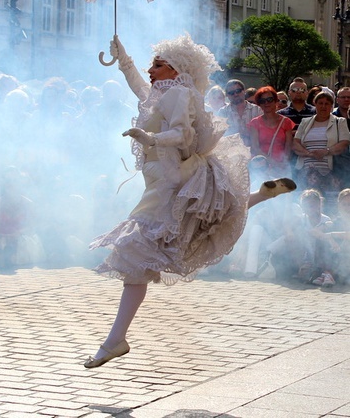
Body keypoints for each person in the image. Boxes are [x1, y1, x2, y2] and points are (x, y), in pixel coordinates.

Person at [84, 33, 296, 369]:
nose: (150, 69)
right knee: (196, 229)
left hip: (170, 180)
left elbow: (183, 135)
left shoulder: (180, 93)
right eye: (152, 63)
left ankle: (115, 340)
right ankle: (260, 196)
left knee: (139, 257)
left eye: (157, 64)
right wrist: (122, 57)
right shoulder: (164, 92)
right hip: (160, 178)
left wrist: (150, 136)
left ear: (176, 69)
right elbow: (139, 86)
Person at [292, 91, 350, 194]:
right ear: (315, 104)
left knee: (329, 204)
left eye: (327, 103)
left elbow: (344, 143)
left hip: (331, 172)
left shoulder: (340, 122)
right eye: (320, 103)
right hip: (305, 172)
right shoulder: (305, 122)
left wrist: (326, 151)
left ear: (331, 106)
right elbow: (296, 143)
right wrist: (308, 153)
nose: (323, 106)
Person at [248, 86, 295, 178]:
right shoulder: (255, 123)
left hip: (282, 168)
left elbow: (288, 147)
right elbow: (255, 148)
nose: (266, 103)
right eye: (262, 101)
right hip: (262, 169)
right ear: (259, 104)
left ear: (276, 101)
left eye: (269, 99)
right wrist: (273, 163)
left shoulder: (286, 122)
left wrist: (282, 164)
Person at [218, 80, 262, 147]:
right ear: (227, 95)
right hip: (231, 152)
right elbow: (219, 136)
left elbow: (263, 133)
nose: (235, 94)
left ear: (244, 91)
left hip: (254, 150)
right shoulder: (222, 113)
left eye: (238, 91)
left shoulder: (257, 110)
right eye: (231, 93)